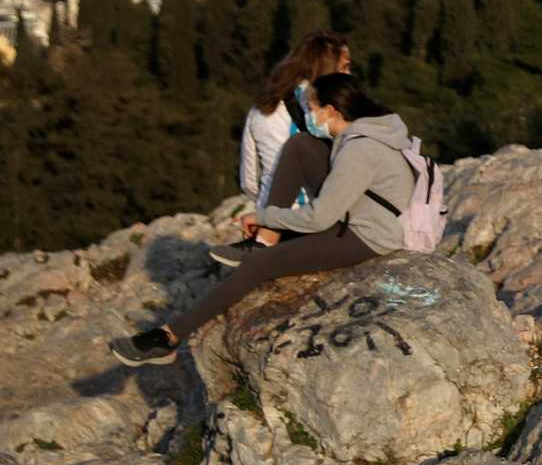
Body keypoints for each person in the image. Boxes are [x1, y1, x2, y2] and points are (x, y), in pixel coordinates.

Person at [112, 74, 418, 366]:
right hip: (357, 212)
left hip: (367, 235)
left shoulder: (360, 149)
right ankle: (265, 240)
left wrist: (263, 215)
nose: (310, 116)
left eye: (312, 109)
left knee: (260, 266)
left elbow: (320, 218)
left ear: (330, 110)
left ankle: (168, 338)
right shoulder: (368, 130)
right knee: (301, 146)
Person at [239, 30, 352, 212]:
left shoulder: (260, 109)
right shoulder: (334, 114)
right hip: (313, 221)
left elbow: (249, 182)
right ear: (328, 69)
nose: (350, 74)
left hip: (269, 218)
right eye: (345, 67)